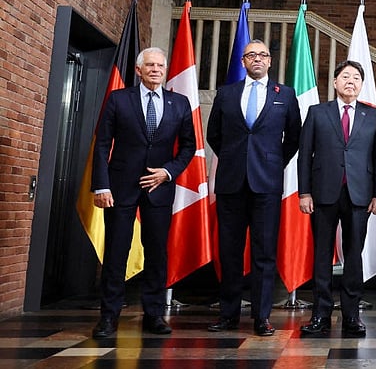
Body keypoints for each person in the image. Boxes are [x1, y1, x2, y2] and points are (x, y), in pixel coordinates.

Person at [90, 47, 196, 338]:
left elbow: (189, 146)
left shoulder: (180, 103)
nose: (155, 70)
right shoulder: (118, 98)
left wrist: (168, 172)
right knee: (116, 254)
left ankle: (154, 316)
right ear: (138, 70)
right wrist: (101, 185)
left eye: (160, 66)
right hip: (120, 188)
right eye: (149, 65)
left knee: (157, 255)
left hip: (159, 188)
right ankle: (109, 318)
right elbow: (102, 145)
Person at [206, 39, 302, 336]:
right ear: (243, 61)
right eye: (251, 55)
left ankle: (262, 317)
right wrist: (237, 159)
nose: (257, 59)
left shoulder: (285, 95)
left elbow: (294, 138)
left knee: (264, 254)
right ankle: (228, 315)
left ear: (270, 62)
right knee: (230, 252)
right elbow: (214, 135)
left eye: (262, 55)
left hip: (267, 184)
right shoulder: (226, 93)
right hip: (231, 183)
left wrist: (273, 162)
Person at [298, 60, 376, 338]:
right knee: (322, 255)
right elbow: (305, 155)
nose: (351, 81)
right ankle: (320, 315)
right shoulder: (317, 112)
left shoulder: (373, 116)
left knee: (353, 256)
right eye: (345, 76)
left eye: (356, 77)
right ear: (335, 82)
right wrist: (304, 192)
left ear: (362, 85)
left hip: (359, 195)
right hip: (323, 193)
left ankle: (352, 315)